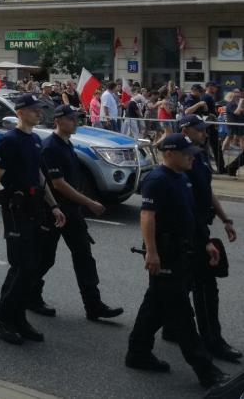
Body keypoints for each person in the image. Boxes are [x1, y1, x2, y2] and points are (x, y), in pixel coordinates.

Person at [125, 133, 228, 389]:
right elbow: (147, 216)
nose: (191, 156)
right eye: (186, 153)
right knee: (182, 313)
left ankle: (137, 353)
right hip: (165, 254)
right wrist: (151, 252)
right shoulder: (157, 180)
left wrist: (205, 242)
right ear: (169, 154)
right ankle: (206, 370)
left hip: (183, 252)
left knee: (155, 306)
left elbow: (190, 215)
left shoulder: (182, 177)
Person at [0, 93, 66, 345]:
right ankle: (2, 318)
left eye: (40, 109)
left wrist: (54, 206)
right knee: (23, 266)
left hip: (34, 207)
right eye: (35, 109)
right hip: (15, 209)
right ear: (21, 112)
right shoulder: (10, 140)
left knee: (28, 267)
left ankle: (17, 318)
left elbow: (39, 176)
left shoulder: (35, 140)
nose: (40, 113)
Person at [30, 104, 123, 322]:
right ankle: (30, 295)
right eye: (71, 119)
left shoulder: (67, 144)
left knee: (84, 257)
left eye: (76, 119)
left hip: (71, 211)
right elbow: (59, 184)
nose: (75, 123)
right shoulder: (50, 147)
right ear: (58, 120)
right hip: (53, 211)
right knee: (45, 258)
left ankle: (93, 305)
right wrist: (90, 202)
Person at [177, 115, 241, 362]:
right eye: (200, 130)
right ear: (186, 129)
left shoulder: (198, 155)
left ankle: (167, 332)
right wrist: (201, 237)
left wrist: (225, 219)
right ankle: (213, 341)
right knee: (205, 289)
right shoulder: (182, 159)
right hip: (191, 231)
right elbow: (186, 203)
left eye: (205, 130)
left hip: (199, 227)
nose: (204, 133)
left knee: (173, 290)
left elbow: (207, 191)